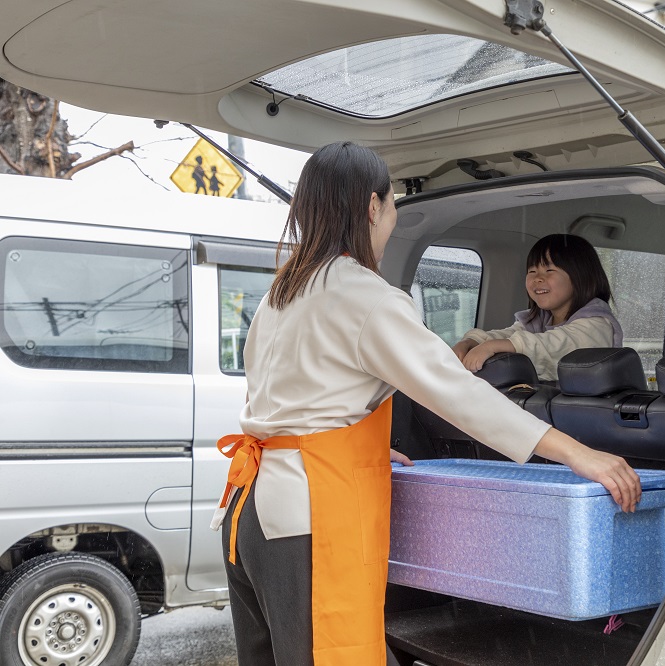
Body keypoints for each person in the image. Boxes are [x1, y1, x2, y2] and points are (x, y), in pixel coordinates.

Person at [211, 142, 641, 666]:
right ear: (373, 206)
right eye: (393, 205)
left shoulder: (285, 288)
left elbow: (285, 400)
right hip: (307, 508)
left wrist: (352, 450)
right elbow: (455, 392)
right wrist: (579, 453)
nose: (391, 216)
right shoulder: (364, 294)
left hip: (250, 505)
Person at [453, 233, 623, 381]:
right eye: (532, 271)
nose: (537, 278)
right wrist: (472, 341)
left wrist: (493, 347)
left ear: (581, 276)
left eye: (549, 271)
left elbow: (553, 347)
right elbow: (509, 334)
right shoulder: (539, 320)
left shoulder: (596, 324)